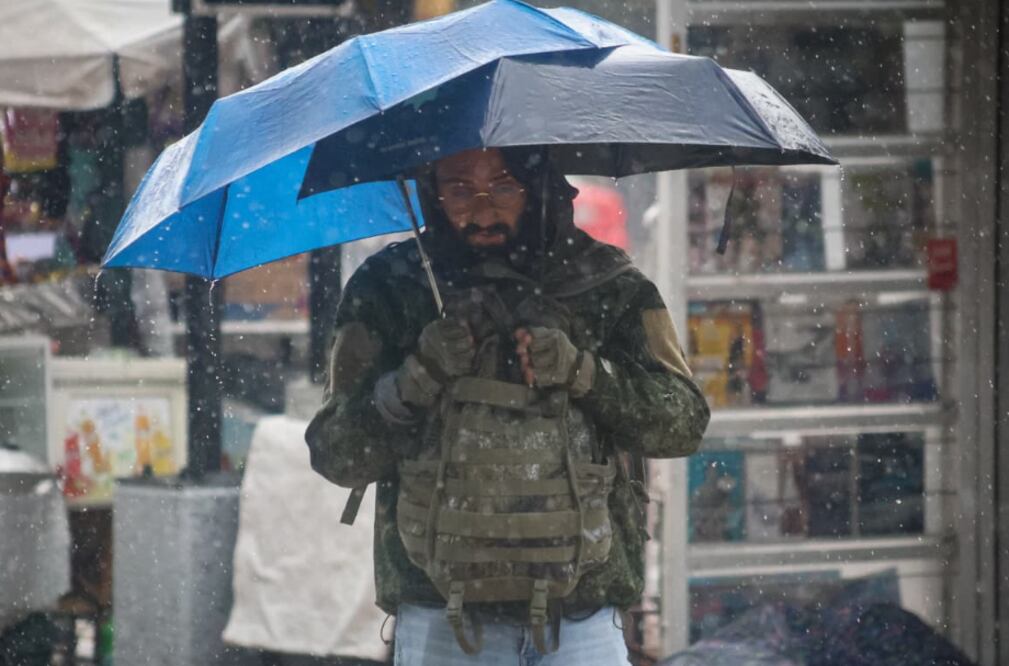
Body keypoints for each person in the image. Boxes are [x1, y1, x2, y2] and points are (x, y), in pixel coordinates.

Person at [305, 147, 710, 665]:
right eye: (458, 189)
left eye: (503, 185)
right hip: (441, 617)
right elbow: (336, 453)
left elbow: (683, 423)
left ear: (537, 184)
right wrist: (414, 379)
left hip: (580, 617)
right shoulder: (390, 288)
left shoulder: (609, 284)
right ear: (430, 192)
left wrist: (585, 373)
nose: (482, 209)